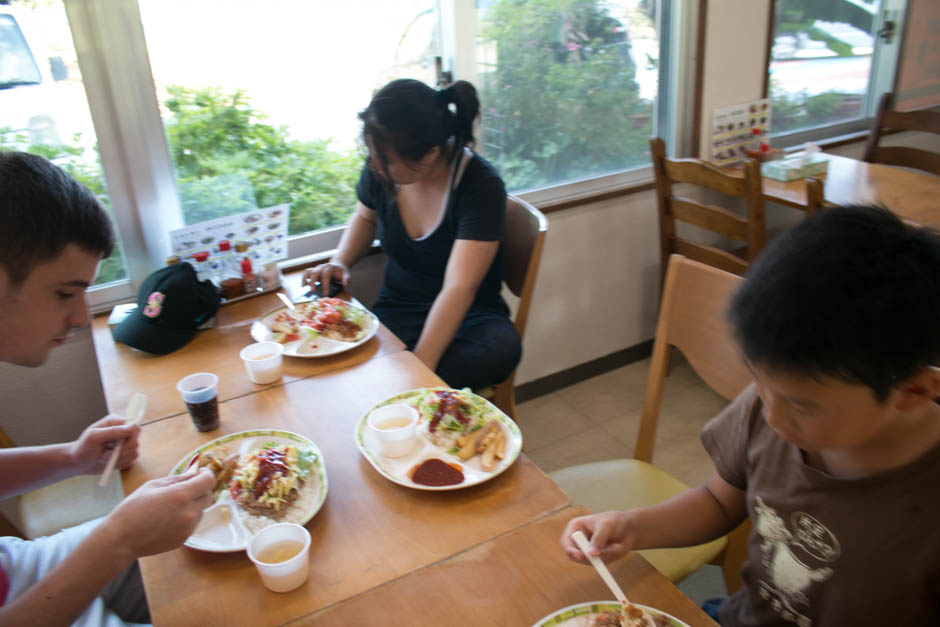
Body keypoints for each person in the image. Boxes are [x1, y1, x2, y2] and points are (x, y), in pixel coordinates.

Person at [560, 206, 940, 626]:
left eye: (802, 405)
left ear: (914, 391)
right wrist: (631, 527)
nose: (772, 416)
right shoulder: (767, 407)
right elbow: (718, 503)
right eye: (759, 382)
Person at [0, 151, 216, 626]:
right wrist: (119, 540)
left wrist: (72, 459)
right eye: (64, 293)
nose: (80, 318)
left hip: (13, 569)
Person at [303, 79, 521, 390]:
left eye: (385, 160)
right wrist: (340, 260)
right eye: (372, 156)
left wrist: (420, 370)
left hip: (470, 318)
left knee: (494, 351)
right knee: (349, 361)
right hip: (399, 310)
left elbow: (459, 288)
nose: (374, 166)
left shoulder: (479, 186)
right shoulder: (381, 170)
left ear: (431, 152)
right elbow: (365, 217)